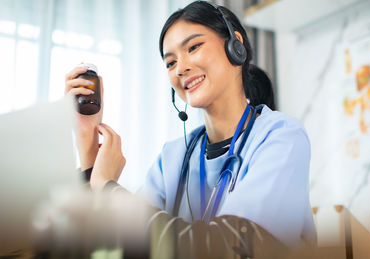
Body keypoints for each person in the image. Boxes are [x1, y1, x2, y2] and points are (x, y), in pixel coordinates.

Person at [65, 1, 315, 257]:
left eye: (193, 47)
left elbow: (233, 249)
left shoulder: (282, 137)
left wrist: (109, 190)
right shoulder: (173, 158)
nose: (181, 68)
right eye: (170, 63)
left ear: (235, 45)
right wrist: (88, 151)